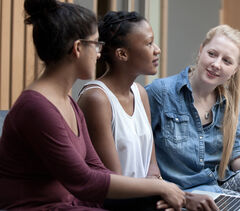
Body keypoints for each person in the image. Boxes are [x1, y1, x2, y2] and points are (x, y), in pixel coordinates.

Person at [0, 1, 185, 210]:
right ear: (78, 48)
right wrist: (163, 189)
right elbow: (84, 181)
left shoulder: (68, 102)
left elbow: (98, 169)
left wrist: (162, 192)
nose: (99, 53)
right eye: (96, 44)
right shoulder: (36, 108)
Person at [146, 24, 240, 210]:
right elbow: (140, 155)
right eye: (212, 54)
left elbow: (237, 160)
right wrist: (163, 192)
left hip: (219, 187)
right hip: (181, 192)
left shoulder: (235, 104)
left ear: (235, 69)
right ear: (201, 50)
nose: (216, 64)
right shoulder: (161, 93)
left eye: (227, 61)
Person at [78, 11, 218, 211]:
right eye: (149, 43)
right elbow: (113, 182)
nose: (157, 50)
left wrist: (163, 194)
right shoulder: (96, 99)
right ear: (122, 54)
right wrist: (178, 196)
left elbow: (152, 166)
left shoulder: (141, 93)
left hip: (144, 200)